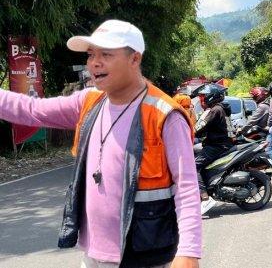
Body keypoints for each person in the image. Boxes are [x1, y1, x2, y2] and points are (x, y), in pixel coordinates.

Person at [0, 20, 201, 267]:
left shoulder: (164, 115)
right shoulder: (89, 101)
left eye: (106, 54)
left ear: (134, 59)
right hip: (93, 254)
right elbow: (31, 109)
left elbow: (187, 185)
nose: (94, 62)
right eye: (91, 54)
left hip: (143, 254)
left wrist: (188, 251)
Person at [194, 84, 234, 212]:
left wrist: (190, 133)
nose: (202, 100)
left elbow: (198, 128)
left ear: (211, 97)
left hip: (217, 145)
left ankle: (205, 199)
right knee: (194, 150)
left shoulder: (214, 111)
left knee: (193, 166)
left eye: (203, 97)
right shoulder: (221, 108)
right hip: (223, 143)